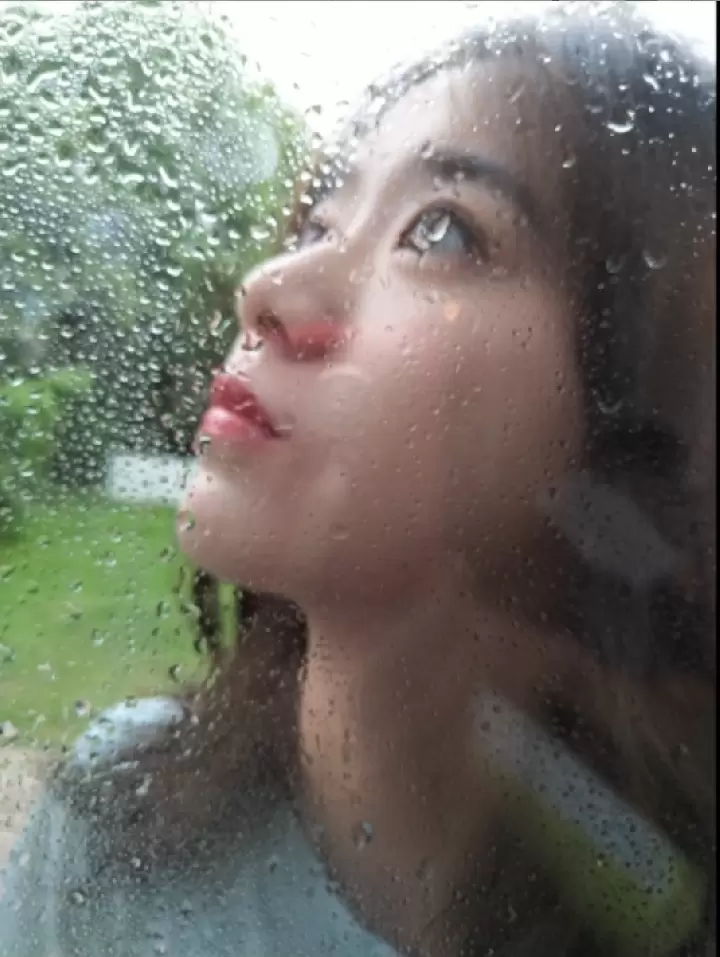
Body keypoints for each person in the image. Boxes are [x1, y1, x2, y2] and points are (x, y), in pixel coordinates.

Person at [0, 4, 715, 955]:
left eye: (443, 232)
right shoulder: (113, 819)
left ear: (632, 426)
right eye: (318, 221)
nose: (268, 287)